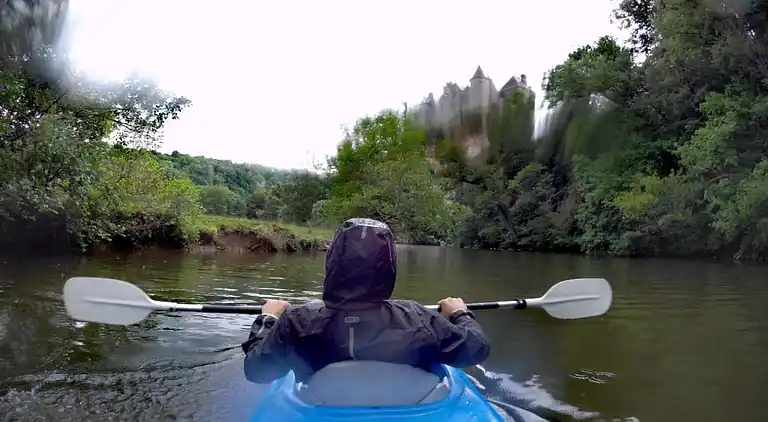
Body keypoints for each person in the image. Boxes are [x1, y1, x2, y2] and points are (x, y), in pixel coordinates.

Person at [241, 217, 491, 384]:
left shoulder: (297, 323)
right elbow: (477, 348)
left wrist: (269, 319)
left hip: (321, 404)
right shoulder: (418, 318)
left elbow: (256, 371)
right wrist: (460, 314)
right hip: (409, 406)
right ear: (389, 265)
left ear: (333, 261)